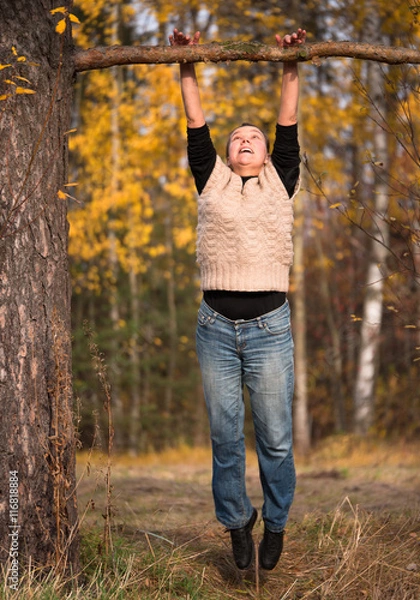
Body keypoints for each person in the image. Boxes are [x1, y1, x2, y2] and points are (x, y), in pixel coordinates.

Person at [169, 26, 306, 571]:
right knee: (225, 439)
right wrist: (186, 64)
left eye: (254, 136)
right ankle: (235, 524)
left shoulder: (281, 179)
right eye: (237, 137)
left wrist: (291, 62)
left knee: (274, 438)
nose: (245, 140)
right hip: (215, 329)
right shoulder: (211, 181)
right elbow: (195, 124)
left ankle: (276, 522)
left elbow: (289, 121)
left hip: (270, 327)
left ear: (268, 153)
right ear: (226, 154)